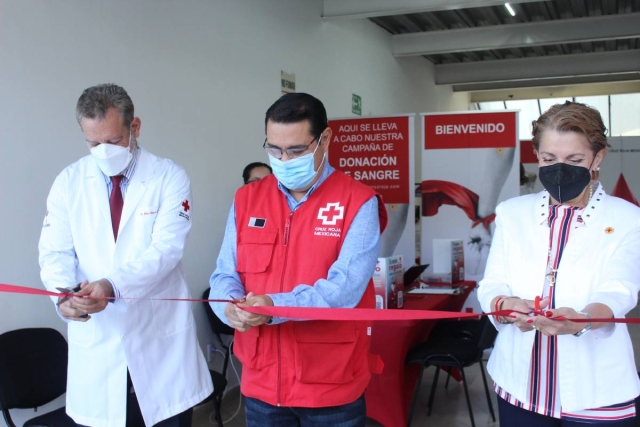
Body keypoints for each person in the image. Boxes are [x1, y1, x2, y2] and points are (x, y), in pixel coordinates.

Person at [38, 84, 212, 427]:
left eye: (113, 140)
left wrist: (112, 285)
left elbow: (166, 250)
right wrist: (65, 297)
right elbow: (54, 252)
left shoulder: (168, 177)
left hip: (159, 340)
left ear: (134, 128)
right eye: (93, 143)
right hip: (98, 339)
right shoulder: (69, 182)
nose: (103, 151)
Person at [209, 92, 388, 427]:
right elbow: (224, 273)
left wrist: (272, 307)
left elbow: (345, 289)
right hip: (262, 383)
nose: (284, 159)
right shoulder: (247, 199)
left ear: (325, 139)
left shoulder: (358, 202)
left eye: (295, 150)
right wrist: (229, 306)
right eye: (274, 149)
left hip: (330, 385)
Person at [478, 101, 640, 426]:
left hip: (595, 391)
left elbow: (619, 291)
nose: (559, 169)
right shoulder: (512, 213)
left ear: (598, 157)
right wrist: (506, 306)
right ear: (536, 154)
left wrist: (582, 319)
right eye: (549, 159)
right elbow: (491, 284)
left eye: (575, 159)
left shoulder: (627, 218)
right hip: (519, 385)